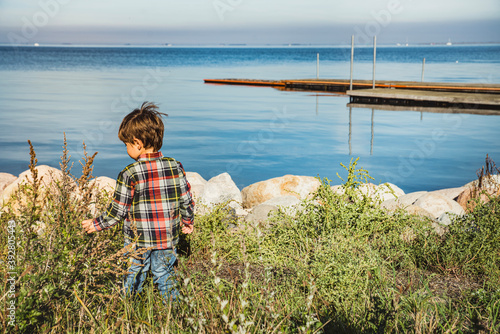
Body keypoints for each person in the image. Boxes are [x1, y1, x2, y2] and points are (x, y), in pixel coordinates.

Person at [81, 101, 194, 303]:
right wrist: (188, 221)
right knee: (165, 275)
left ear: (137, 143)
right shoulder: (175, 166)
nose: (126, 148)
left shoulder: (129, 173)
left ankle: (126, 310)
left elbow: (118, 211)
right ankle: (176, 312)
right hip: (166, 239)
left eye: (126, 144)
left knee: (133, 275)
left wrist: (96, 224)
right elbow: (186, 199)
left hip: (137, 241)